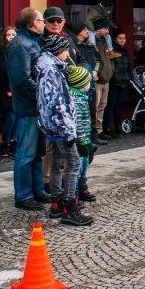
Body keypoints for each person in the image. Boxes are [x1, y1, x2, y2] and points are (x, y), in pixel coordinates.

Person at [36, 34, 92, 226]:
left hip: (52, 126)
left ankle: (57, 204)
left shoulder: (48, 68)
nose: (68, 54)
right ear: (58, 50)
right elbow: (57, 103)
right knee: (74, 163)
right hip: (60, 127)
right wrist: (68, 131)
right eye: (66, 50)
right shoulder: (52, 71)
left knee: (58, 163)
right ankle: (69, 207)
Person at [8, 8, 49, 210]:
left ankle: (38, 190)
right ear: (33, 23)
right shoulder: (19, 44)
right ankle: (23, 195)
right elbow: (22, 79)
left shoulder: (33, 42)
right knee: (26, 153)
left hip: (38, 106)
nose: (44, 24)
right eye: (41, 20)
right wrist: (43, 95)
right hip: (28, 107)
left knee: (37, 152)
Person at [66, 65, 97, 204]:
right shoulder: (76, 100)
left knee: (85, 164)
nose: (90, 85)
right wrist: (83, 141)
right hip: (80, 140)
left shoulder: (82, 97)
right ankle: (74, 194)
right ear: (81, 84)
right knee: (78, 166)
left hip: (86, 137)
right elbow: (77, 124)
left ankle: (82, 187)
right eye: (88, 82)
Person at [103, 30, 132, 136]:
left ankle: (118, 126)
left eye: (124, 38)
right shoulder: (112, 51)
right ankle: (106, 127)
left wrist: (130, 77)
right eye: (120, 38)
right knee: (110, 105)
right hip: (114, 81)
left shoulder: (125, 51)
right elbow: (111, 66)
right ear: (115, 39)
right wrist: (114, 77)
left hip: (124, 81)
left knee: (119, 105)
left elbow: (129, 65)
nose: (122, 40)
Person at [0, 26, 17, 158]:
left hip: (16, 87)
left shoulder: (18, 50)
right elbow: (3, 70)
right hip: (6, 88)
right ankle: (4, 144)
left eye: (14, 34)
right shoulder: (0, 51)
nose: (12, 37)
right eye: (9, 35)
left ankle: (13, 143)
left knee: (17, 119)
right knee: (10, 118)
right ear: (5, 38)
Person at [93, 19, 114, 141]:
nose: (107, 31)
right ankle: (94, 132)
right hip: (98, 80)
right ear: (98, 29)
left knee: (102, 106)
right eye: (105, 29)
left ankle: (99, 130)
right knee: (95, 106)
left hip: (107, 79)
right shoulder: (93, 42)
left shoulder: (105, 40)